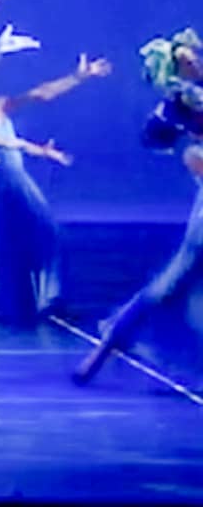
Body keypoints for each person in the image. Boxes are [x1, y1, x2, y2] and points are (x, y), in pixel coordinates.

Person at [73, 32, 203, 384]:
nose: (193, 59)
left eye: (192, 55)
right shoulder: (183, 99)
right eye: (185, 59)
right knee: (166, 288)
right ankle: (102, 351)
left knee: (176, 291)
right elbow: (155, 135)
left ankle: (103, 352)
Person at [0, 52, 108, 324]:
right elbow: (3, 142)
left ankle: (51, 298)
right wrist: (38, 150)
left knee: (47, 230)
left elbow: (41, 93)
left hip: (17, 179)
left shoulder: (0, 106)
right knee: (4, 242)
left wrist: (79, 77)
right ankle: (12, 305)